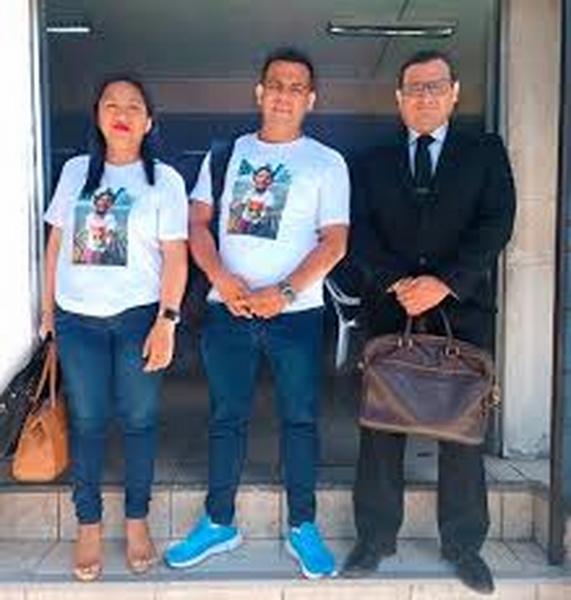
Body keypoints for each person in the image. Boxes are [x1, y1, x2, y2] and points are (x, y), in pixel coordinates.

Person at [164, 47, 350, 579]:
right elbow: (197, 224)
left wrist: (284, 293)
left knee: (300, 419)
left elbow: (335, 242)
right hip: (229, 311)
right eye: (276, 84)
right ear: (259, 93)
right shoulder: (227, 154)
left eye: (297, 87)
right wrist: (221, 278)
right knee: (226, 417)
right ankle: (218, 521)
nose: (285, 95)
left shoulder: (327, 162)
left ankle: (303, 525)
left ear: (311, 99)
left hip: (297, 315)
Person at [342, 50, 516, 595]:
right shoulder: (371, 161)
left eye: (435, 86)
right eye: (414, 88)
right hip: (389, 311)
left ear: (455, 93)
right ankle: (374, 539)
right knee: (380, 427)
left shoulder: (484, 152)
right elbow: (358, 231)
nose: (424, 96)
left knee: (462, 432)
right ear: (398, 99)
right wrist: (399, 282)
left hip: (461, 313)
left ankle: (464, 546)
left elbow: (497, 223)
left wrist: (445, 283)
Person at [41, 75, 188, 581]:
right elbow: (55, 246)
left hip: (138, 318)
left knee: (139, 420)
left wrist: (167, 320)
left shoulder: (164, 181)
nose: (121, 113)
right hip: (76, 319)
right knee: (86, 422)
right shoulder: (75, 171)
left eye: (133, 106)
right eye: (111, 104)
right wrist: (47, 313)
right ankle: (88, 524)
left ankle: (137, 520)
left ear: (149, 122)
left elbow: (176, 257)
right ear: (97, 115)